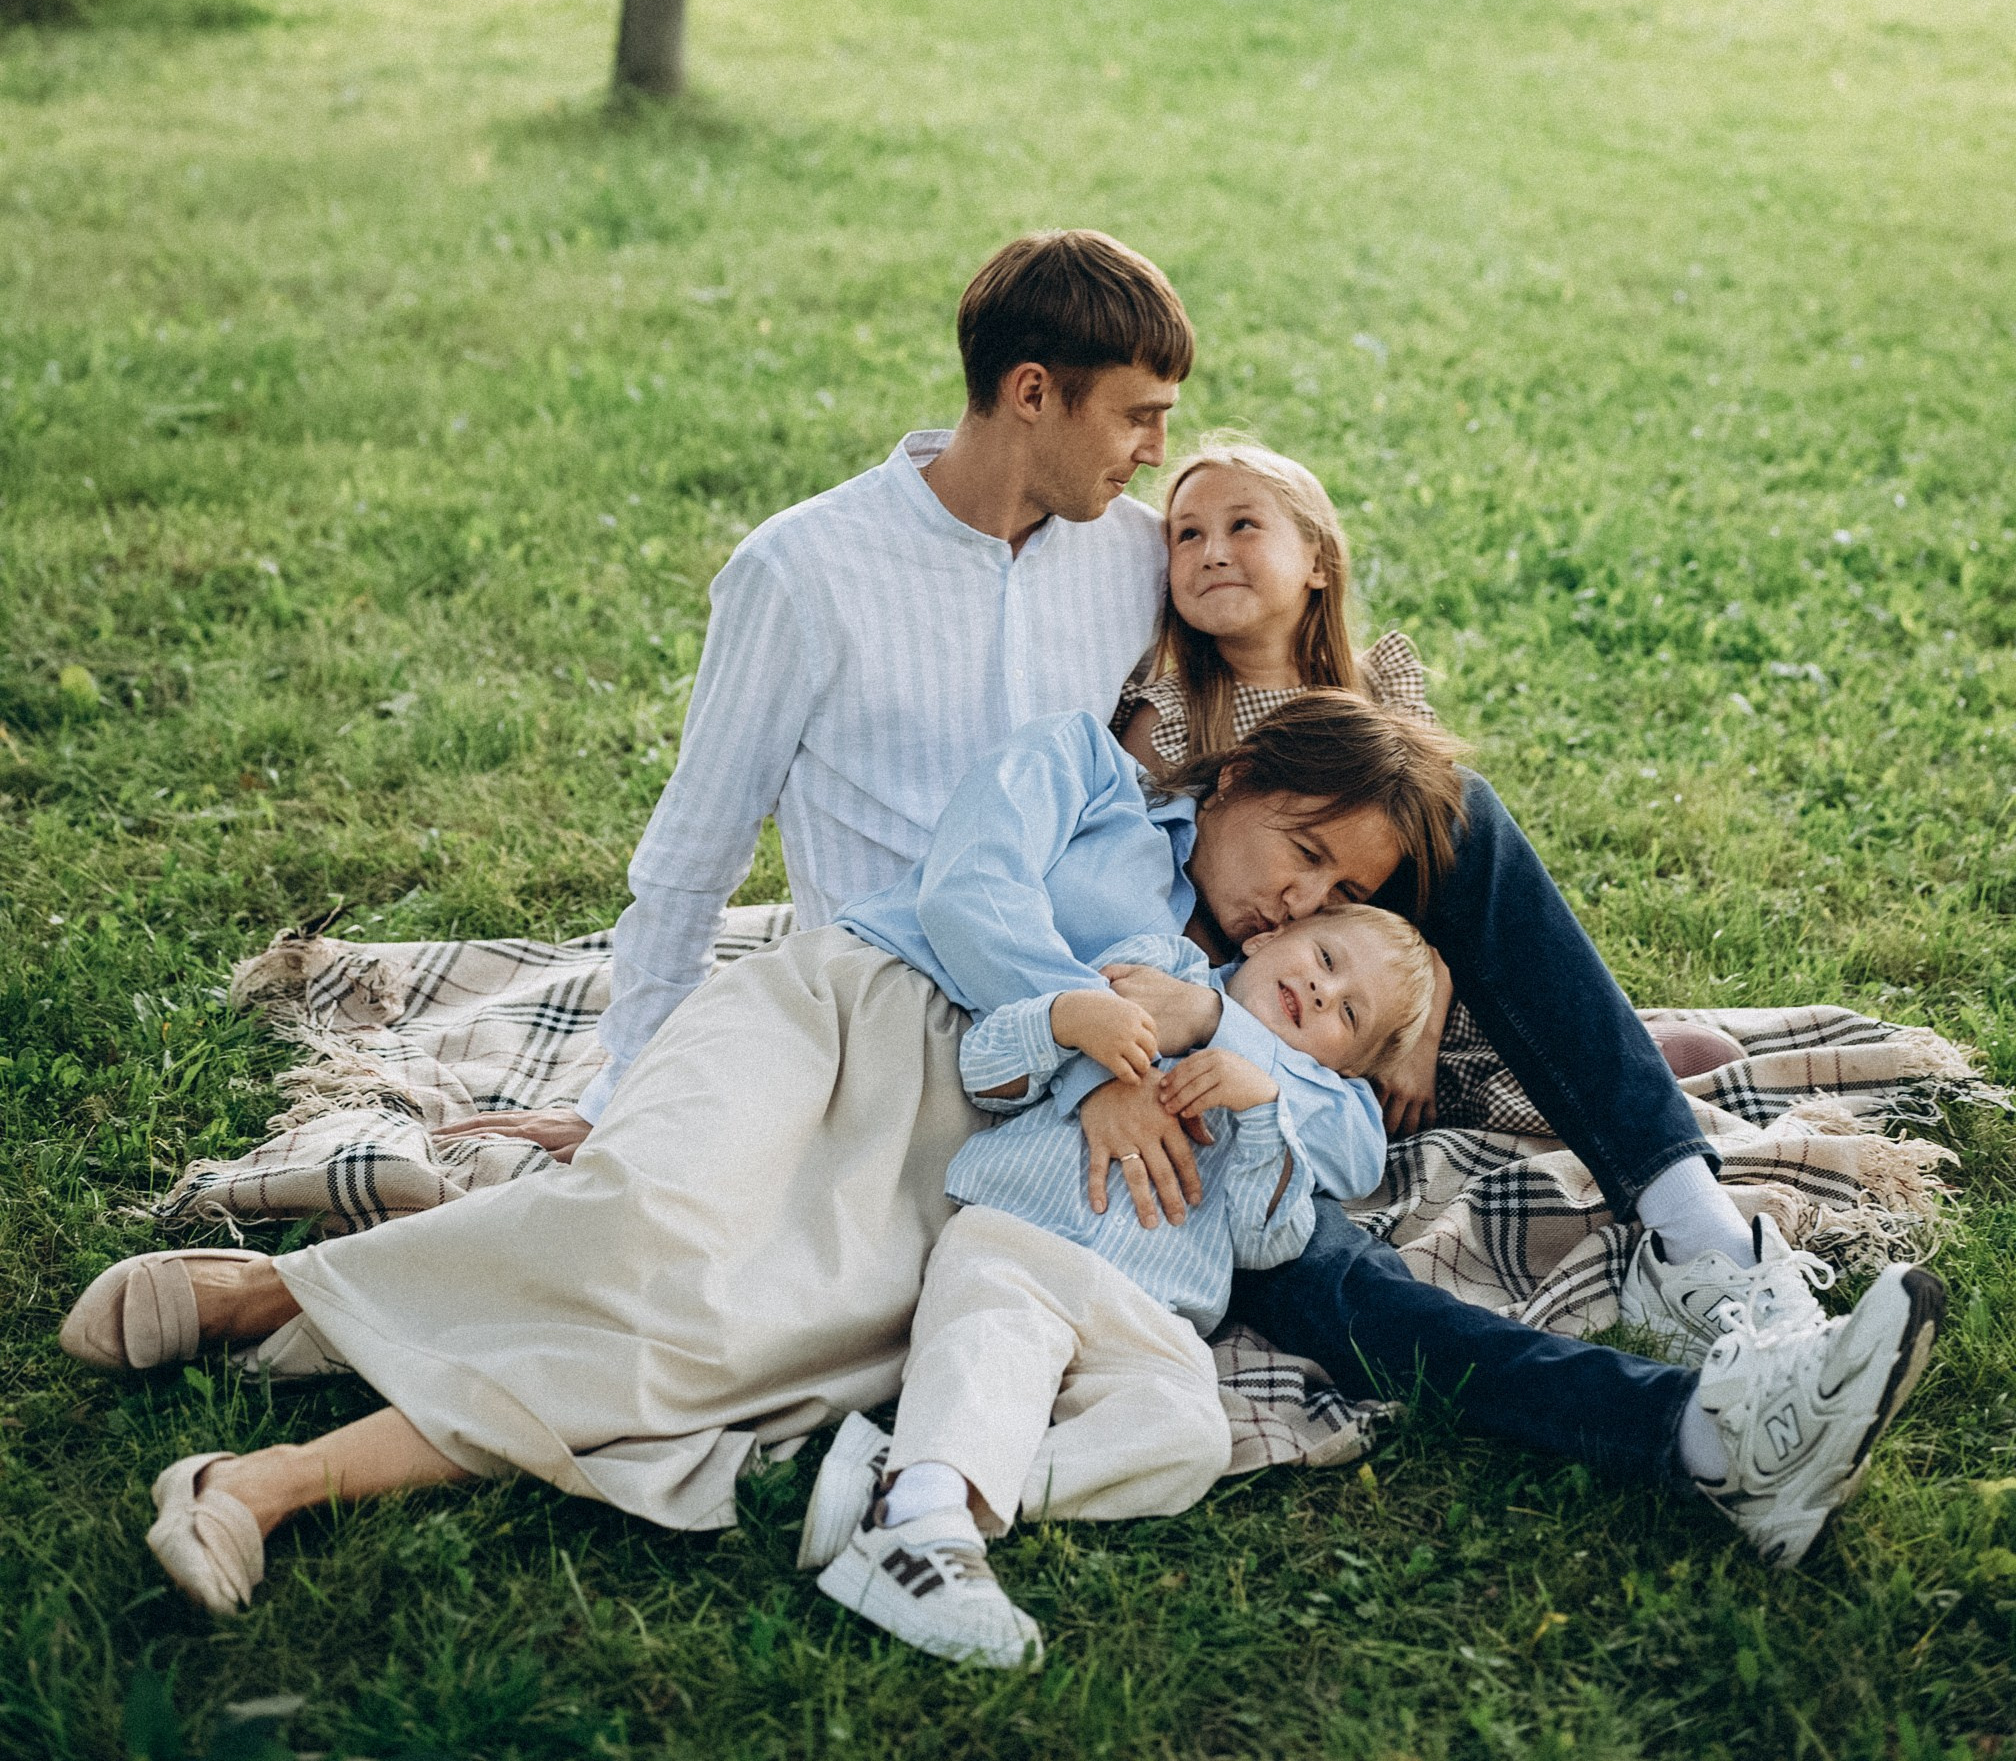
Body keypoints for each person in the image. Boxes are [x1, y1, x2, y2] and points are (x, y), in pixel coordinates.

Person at [69, 695, 1943, 1612]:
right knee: (645, 1222)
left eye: (1339, 894)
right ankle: (272, 1290)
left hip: (970, 1150)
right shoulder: (1078, 772)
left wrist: (1192, 1036)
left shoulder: (1243, 997)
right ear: (1228, 777)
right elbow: (965, 896)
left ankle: (272, 1466)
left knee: (719, 1350)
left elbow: (1310, 1116)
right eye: (1296, 852)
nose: (1300, 894)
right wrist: (1091, 1022)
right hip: (853, 1012)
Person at [459, 227, 1192, 1162]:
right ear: (1034, 392)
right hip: (879, 1020)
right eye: (1139, 416)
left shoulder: (1139, 555)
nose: (1159, 450)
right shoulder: (802, 572)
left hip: (1092, 1023)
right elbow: (696, 852)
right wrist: (627, 1092)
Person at [1121, 439, 1826, 1353]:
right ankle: (1601, 1082)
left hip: (1382, 981)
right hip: (1257, 992)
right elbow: (1137, 868)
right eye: (1186, 534)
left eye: (1243, 526)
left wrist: (1420, 1022)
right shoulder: (1177, 708)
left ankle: (1691, 1218)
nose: (1211, 550)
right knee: (1635, 1053)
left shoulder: (1370, 694)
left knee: (1459, 817)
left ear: (1319, 561)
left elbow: (1419, 901)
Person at [801, 902, 1434, 1668]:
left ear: (1342, 1067)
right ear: (1267, 937)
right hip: (1022, 1243)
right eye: (1325, 959)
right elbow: (989, 1074)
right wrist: (1067, 1021)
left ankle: (921, 1486)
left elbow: (1268, 1243)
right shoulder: (1155, 968)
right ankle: (916, 1529)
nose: (1321, 993)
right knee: (995, 1346)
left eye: (1347, 1013)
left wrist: (1263, 1110)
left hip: (1151, 1311)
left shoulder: (1296, 1103)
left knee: (1190, 1437)